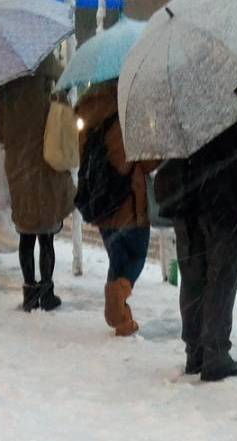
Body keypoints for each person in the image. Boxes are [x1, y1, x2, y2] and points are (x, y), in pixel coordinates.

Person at [159, 119, 237, 382]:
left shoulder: (184, 100)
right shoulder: (233, 105)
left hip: (187, 200)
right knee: (221, 280)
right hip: (223, 200)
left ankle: (195, 352)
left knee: (193, 279)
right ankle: (215, 354)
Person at [0, 54, 75, 311]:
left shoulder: (5, 91)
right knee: (47, 235)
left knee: (26, 234)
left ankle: (29, 291)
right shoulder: (50, 87)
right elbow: (61, 121)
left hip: (19, 166)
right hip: (46, 165)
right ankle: (48, 292)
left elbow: (2, 133)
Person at [75, 82, 151, 337]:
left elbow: (81, 153)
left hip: (100, 199)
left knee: (117, 258)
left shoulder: (86, 107)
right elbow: (146, 158)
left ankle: (121, 320)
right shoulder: (129, 108)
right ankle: (117, 296)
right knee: (137, 256)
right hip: (128, 197)